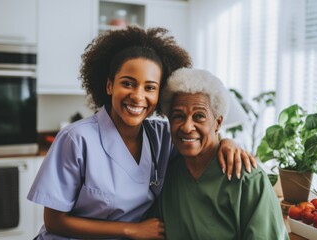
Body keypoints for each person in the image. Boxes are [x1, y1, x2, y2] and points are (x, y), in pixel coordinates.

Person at [27, 26, 256, 240]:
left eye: (150, 87)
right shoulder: (76, 139)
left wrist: (225, 142)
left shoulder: (162, 136)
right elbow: (55, 221)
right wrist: (131, 230)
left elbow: (198, 141)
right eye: (128, 83)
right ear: (109, 86)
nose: (138, 96)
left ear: (159, 95)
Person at [151, 68, 289, 239]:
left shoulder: (247, 178)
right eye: (178, 116)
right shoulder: (168, 173)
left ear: (218, 123)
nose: (187, 127)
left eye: (199, 116)